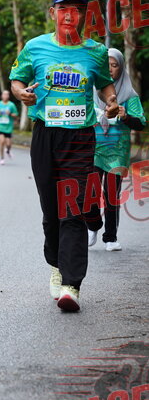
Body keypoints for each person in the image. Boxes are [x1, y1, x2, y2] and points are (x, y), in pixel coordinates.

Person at [10, 0, 118, 312]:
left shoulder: (95, 51)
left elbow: (104, 84)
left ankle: (72, 284)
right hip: (45, 134)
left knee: (72, 206)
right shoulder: (35, 47)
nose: (70, 14)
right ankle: (56, 265)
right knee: (50, 209)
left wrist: (112, 100)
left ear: (84, 15)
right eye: (64, 8)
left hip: (80, 136)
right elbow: (17, 80)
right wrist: (21, 93)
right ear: (53, 13)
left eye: (78, 9)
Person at [87, 48, 146, 251]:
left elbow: (141, 123)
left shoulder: (129, 96)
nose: (110, 69)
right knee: (90, 190)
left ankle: (110, 238)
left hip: (117, 153)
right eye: (107, 65)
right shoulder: (90, 92)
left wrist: (126, 115)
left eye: (114, 65)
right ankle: (93, 225)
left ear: (121, 68)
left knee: (111, 194)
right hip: (93, 150)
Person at [0, 90, 18, 164]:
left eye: (7, 94)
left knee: (8, 144)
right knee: (2, 141)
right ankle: (2, 158)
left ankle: (8, 150)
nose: (5, 96)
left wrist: (10, 114)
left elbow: (16, 114)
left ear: (8, 96)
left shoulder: (11, 105)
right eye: (4, 94)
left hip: (8, 127)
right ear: (1, 96)